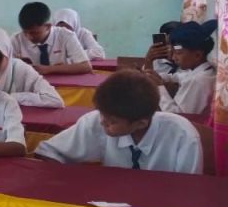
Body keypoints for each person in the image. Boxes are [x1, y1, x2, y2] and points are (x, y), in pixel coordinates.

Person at [35, 70, 201, 173]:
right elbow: (48, 152)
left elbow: (188, 189)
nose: (102, 122)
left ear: (141, 123)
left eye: (112, 122)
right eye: (102, 114)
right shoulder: (96, 120)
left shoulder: (183, 136)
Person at [145, 20, 217, 116]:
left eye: (178, 53)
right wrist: (157, 77)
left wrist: (159, 87)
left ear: (197, 55)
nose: (173, 57)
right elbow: (178, 77)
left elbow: (176, 115)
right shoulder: (204, 71)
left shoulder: (196, 81)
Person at [10, 1, 92, 75]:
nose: (29, 37)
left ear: (48, 26)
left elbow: (85, 66)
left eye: (34, 33)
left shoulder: (65, 35)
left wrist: (50, 69)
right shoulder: (16, 39)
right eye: (25, 32)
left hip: (61, 84)